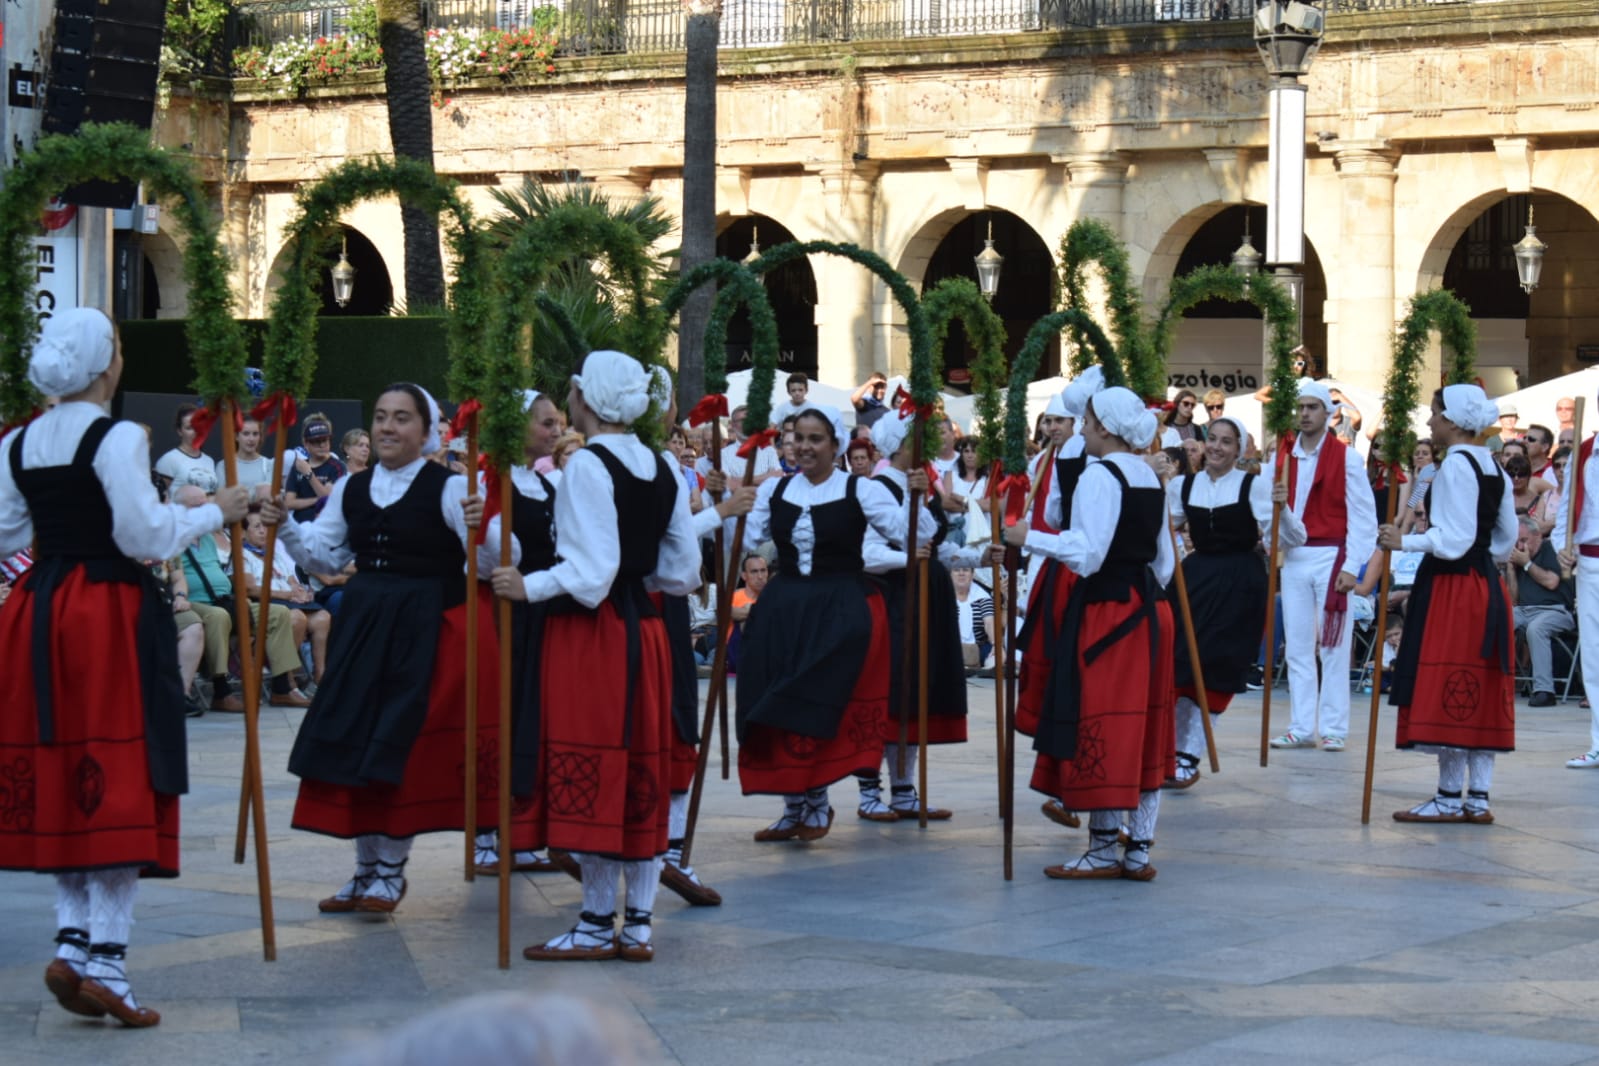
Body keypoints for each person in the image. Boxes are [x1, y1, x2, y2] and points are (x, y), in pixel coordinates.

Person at [0, 309, 250, 1026]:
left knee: (64, 763)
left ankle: (74, 942)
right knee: (116, 770)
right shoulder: (116, 437)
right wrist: (216, 511)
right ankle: (106, 957)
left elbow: (4, 532)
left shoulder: (18, 441)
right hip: (105, 610)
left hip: (40, 607)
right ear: (110, 364)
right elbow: (141, 533)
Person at [265, 383, 512, 916]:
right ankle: (365, 870)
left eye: (401, 418)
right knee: (357, 742)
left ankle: (389, 872)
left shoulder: (449, 488)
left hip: (427, 627)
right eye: (380, 417)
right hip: (367, 622)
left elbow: (490, 566)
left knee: (397, 748)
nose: (387, 428)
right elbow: (323, 555)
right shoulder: (353, 490)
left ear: (426, 430)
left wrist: (483, 529)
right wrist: (282, 524)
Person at [490, 351, 700, 962]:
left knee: (593, 765)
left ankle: (591, 923)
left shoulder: (586, 467)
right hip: (647, 632)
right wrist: (643, 582)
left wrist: (527, 585)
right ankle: (636, 925)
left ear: (584, 398)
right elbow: (683, 570)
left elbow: (591, 571)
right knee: (639, 769)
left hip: (592, 635)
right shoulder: (662, 464)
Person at [733, 405, 931, 844]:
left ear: (835, 444)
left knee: (812, 702)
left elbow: (914, 536)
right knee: (772, 701)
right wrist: (724, 504)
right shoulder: (775, 492)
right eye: (797, 438)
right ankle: (794, 805)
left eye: (815, 439)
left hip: (838, 606)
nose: (804, 447)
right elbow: (743, 541)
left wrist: (918, 496)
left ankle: (817, 798)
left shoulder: (861, 489)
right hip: (784, 608)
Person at [1000, 387, 1175, 881]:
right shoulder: (1147, 474)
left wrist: (1027, 537)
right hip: (1150, 611)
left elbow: (1088, 553)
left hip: (1110, 614)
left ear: (1103, 427)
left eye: (1088, 422)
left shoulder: (1100, 476)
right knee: (1142, 726)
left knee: (1105, 722)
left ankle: (1102, 849)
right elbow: (1162, 560)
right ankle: (1137, 848)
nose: (1081, 429)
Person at [1380, 385, 1516, 824]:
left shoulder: (1455, 467)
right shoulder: (1494, 465)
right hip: (1485, 585)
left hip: (1453, 588)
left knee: (1450, 684)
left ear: (1455, 421)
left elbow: (1453, 539)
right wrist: (1483, 557)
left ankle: (1446, 797)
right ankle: (1477, 798)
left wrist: (1406, 541)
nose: (1430, 422)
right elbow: (1506, 537)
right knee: (1480, 682)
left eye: (1435, 414)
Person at [855, 408, 967, 822]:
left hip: (924, 595)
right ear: (902, 446)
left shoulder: (920, 484)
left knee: (914, 693)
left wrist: (971, 554)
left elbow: (932, 543)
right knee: (888, 692)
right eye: (919, 438)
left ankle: (903, 789)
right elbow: (866, 551)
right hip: (894, 599)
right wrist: (906, 557)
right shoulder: (880, 487)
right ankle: (870, 789)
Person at [1165, 416, 1290, 787]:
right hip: (1196, 578)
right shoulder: (1183, 486)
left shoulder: (1254, 485)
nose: (1217, 447)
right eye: (1213, 439)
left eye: (1227, 441)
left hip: (1240, 581)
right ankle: (1172, 749)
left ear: (1239, 449)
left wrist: (1283, 508)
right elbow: (1161, 530)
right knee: (1180, 662)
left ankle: (1191, 752)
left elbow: (1287, 536)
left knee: (1217, 664)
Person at [1011, 366, 1104, 830]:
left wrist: (1032, 541)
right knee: (1083, 687)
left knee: (1076, 687)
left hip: (1073, 577)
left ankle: (1084, 792)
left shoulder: (1070, 456)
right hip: (1089, 581)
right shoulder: (1061, 459)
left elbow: (1052, 520)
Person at [1265, 379, 1378, 753]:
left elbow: (1363, 517)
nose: (1305, 414)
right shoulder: (1282, 458)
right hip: (1296, 556)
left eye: (1313, 407)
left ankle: (1333, 727)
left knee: (1333, 644)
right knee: (1297, 645)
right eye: (1301, 408)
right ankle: (1300, 725)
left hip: (1331, 554)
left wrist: (1352, 564)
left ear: (1328, 414)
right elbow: (1268, 509)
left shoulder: (1346, 457)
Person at [239, 511, 328, 693]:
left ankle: (320, 676)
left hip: (290, 602)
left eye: (266, 526)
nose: (264, 531)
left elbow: (292, 581)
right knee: (296, 618)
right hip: (266, 603)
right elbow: (250, 589)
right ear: (244, 532)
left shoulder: (275, 555)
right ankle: (286, 681)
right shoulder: (242, 556)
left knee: (322, 617)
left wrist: (301, 592)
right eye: (257, 527)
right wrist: (287, 595)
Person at [1508, 515, 1573, 707]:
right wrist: (1512, 570)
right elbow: (1513, 600)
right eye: (1517, 542)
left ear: (1537, 535)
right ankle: (1494, 684)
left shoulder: (1550, 549)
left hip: (1556, 610)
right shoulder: (1520, 557)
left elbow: (1552, 582)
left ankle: (1544, 690)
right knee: (1500, 621)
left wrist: (1527, 564)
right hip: (1524, 609)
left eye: (1524, 540)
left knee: (1536, 628)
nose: (1520, 546)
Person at [284, 415, 346, 524]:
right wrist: (317, 500)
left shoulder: (337, 466)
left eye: (325, 440)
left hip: (328, 525)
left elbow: (329, 500)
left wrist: (309, 474)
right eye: (317, 441)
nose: (322, 445)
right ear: (306, 444)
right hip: (301, 526)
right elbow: (289, 503)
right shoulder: (299, 466)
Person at [153, 402, 219, 496]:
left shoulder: (209, 461)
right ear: (180, 431)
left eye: (198, 426)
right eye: (189, 428)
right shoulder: (169, 459)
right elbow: (159, 497)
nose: (195, 432)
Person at [950, 555, 995, 669]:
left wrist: (995, 644)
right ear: (950, 574)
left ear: (972, 574)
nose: (961, 573)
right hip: (949, 646)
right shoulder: (943, 595)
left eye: (965, 570)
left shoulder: (982, 596)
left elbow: (989, 622)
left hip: (979, 647)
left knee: (998, 656)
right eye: (956, 570)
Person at [218, 417, 274, 497]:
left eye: (255, 434)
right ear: (236, 436)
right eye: (246, 434)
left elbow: (268, 496)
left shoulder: (268, 465)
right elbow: (223, 498)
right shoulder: (224, 466)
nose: (251, 439)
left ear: (260, 437)